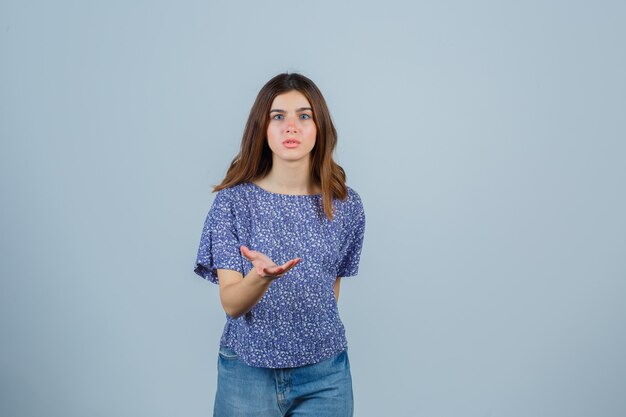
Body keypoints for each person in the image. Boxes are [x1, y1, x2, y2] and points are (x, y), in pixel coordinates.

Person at [193, 72, 366, 417]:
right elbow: (230, 303)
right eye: (278, 116)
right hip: (248, 372)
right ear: (262, 128)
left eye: (304, 116)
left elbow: (329, 294)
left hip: (325, 376)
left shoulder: (346, 205)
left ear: (319, 128)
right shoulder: (232, 203)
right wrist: (260, 278)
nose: (292, 127)